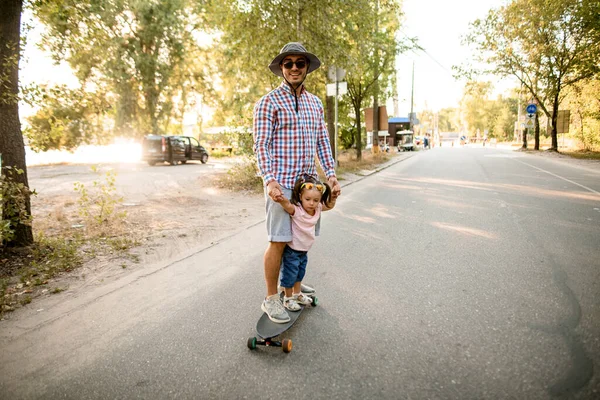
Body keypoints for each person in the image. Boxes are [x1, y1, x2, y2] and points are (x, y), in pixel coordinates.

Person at [253, 42, 341, 323]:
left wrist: (331, 175)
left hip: (307, 189)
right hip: (281, 187)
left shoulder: (315, 104)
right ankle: (271, 299)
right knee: (278, 242)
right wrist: (270, 181)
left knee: (301, 241)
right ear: (281, 68)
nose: (293, 68)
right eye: (288, 63)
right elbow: (261, 145)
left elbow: (322, 142)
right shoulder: (268, 102)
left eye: (299, 63)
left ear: (306, 68)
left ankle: (294, 290)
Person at [275, 176, 336, 311]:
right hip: (292, 251)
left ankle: (297, 294)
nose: (311, 203)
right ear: (301, 197)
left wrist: (334, 197)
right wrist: (282, 199)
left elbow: (330, 205)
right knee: (290, 275)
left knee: (299, 274)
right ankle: (288, 298)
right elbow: (288, 205)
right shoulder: (298, 211)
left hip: (304, 251)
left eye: (316, 200)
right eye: (307, 199)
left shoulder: (318, 209)